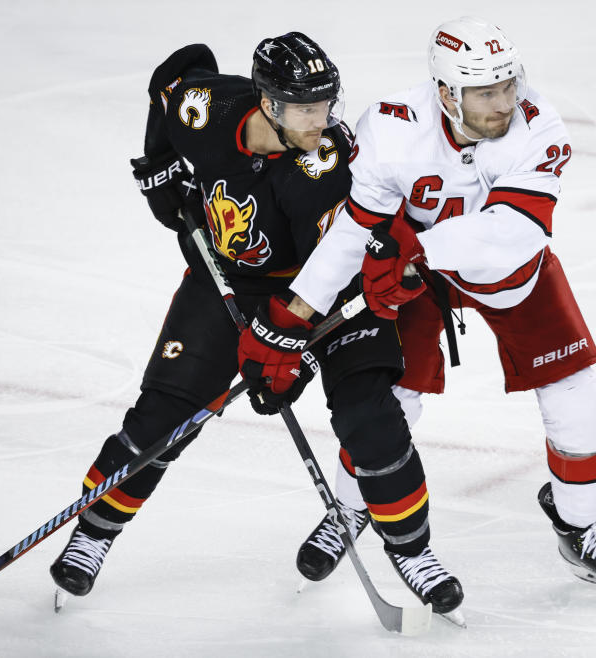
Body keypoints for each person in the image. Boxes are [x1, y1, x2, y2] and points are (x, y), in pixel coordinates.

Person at [50, 32, 464, 616]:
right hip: (228, 280)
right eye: (305, 107)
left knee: (368, 413)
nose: (321, 120)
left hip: (325, 293)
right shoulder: (211, 107)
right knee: (164, 414)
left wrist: (284, 344)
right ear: (266, 102)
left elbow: (330, 265)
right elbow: (174, 81)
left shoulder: (324, 166)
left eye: (326, 103)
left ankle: (414, 552)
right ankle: (92, 533)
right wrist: (159, 168)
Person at [252, 16, 596, 597]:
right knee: (395, 401)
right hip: (419, 276)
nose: (504, 103)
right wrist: (295, 314)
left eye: (508, 86)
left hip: (505, 272)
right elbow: (353, 229)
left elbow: (515, 230)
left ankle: (580, 527)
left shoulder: (539, 126)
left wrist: (416, 248)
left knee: (578, 396)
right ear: (446, 93)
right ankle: (351, 510)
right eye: (486, 93)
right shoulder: (393, 126)